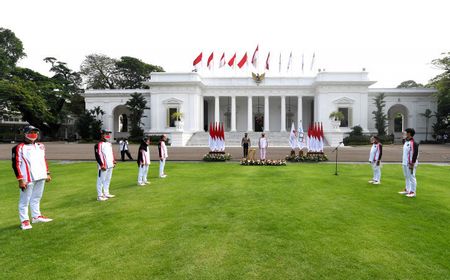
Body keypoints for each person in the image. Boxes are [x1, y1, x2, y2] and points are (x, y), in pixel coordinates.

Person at [12, 126, 52, 230]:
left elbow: (43, 160)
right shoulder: (19, 147)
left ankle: (36, 216)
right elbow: (16, 164)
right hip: (27, 178)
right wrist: (20, 179)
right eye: (31, 132)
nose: (33, 134)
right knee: (24, 201)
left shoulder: (40, 146)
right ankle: (24, 221)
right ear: (25, 133)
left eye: (35, 132)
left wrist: (47, 173)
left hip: (41, 175)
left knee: (36, 198)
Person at [94, 129, 116, 201]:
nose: (108, 135)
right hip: (103, 166)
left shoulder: (109, 144)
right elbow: (98, 155)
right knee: (100, 180)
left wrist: (113, 161)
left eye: (108, 134)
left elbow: (111, 153)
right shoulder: (98, 144)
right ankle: (99, 196)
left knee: (108, 179)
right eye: (106, 134)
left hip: (110, 165)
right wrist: (101, 164)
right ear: (102, 135)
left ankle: (106, 193)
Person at [398, 128, 419, 197]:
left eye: (405, 132)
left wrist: (412, 163)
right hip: (405, 162)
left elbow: (415, 154)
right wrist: (404, 137)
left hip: (410, 163)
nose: (404, 133)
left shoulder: (413, 143)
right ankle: (407, 190)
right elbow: (403, 141)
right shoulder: (406, 141)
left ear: (409, 133)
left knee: (412, 177)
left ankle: (413, 192)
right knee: (406, 176)